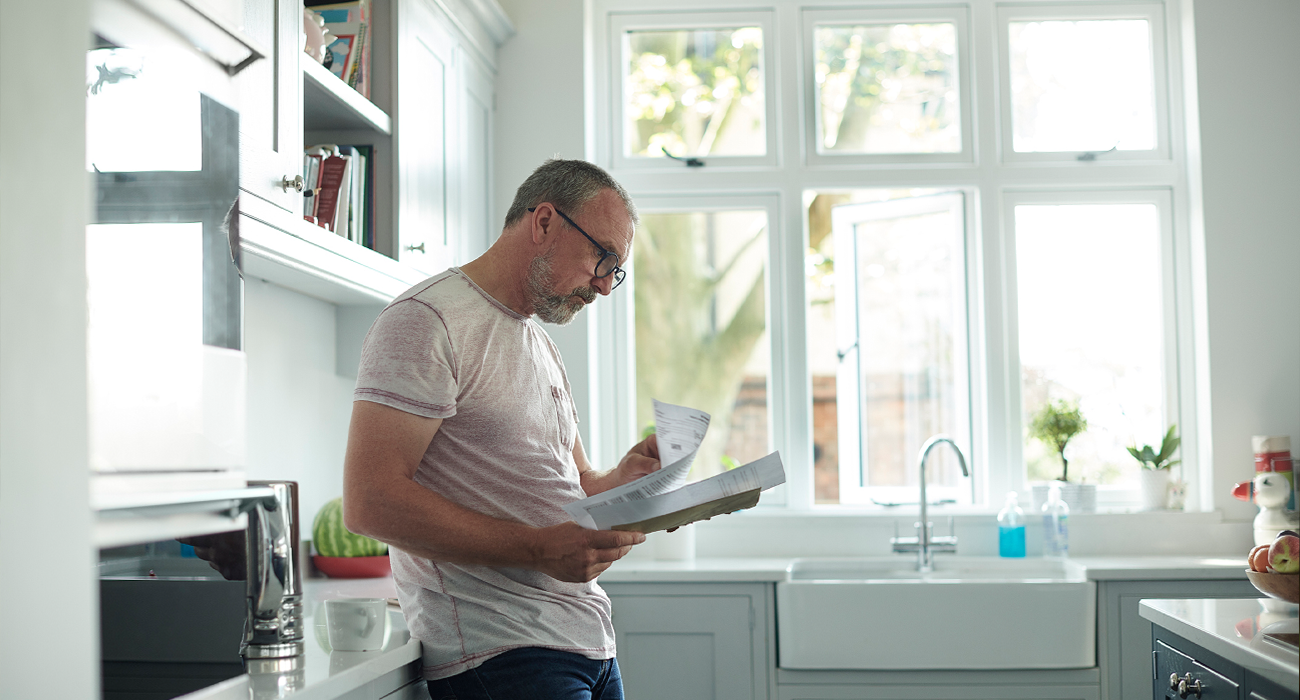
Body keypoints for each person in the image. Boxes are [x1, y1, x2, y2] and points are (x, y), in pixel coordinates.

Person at [342, 159, 660, 700]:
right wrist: (539, 550)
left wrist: (624, 479)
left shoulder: (539, 343)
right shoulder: (427, 321)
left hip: (588, 644)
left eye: (616, 268)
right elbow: (370, 501)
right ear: (543, 223)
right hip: (504, 657)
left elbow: (575, 484)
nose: (606, 286)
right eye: (602, 258)